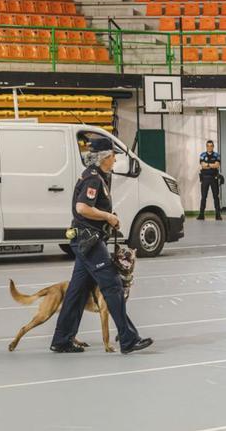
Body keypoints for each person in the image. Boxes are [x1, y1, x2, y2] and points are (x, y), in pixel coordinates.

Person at [50, 137, 153, 354]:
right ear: (105, 157)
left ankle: (61, 339)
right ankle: (128, 339)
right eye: (113, 155)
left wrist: (107, 217)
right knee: (113, 286)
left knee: (76, 292)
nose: (115, 159)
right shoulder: (94, 179)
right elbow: (82, 208)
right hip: (90, 242)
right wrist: (108, 216)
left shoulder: (96, 176)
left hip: (84, 241)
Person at [198, 140, 222, 220]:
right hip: (205, 178)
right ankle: (201, 214)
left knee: (216, 196)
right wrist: (212, 165)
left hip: (214, 178)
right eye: (208, 146)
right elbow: (202, 165)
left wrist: (207, 164)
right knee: (203, 196)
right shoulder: (202, 155)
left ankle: (218, 215)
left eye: (211, 146)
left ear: (213, 146)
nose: (209, 147)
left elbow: (217, 165)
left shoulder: (216, 155)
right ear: (206, 146)